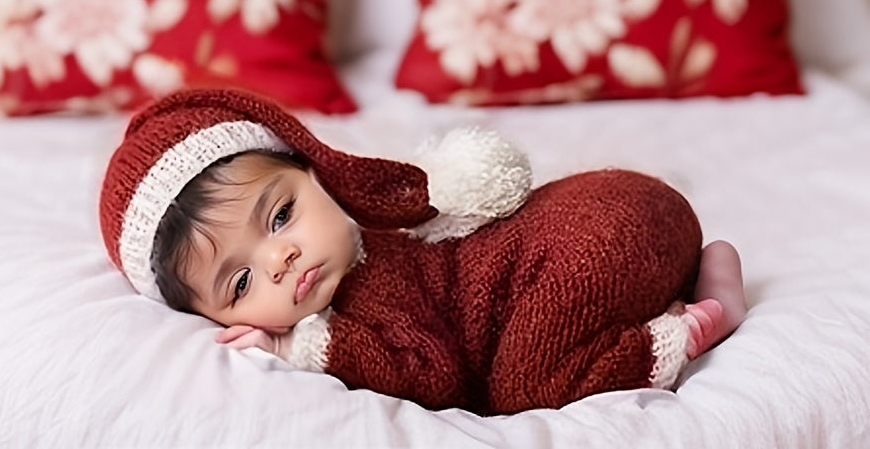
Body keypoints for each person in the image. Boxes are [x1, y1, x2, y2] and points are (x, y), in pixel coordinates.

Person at [99, 87, 747, 414]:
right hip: (620, 213)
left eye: (282, 215)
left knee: (525, 384)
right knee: (547, 327)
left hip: (602, 231)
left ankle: (690, 324)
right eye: (240, 285)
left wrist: (304, 347)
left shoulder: (369, 279)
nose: (280, 260)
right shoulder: (373, 245)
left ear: (317, 171)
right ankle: (687, 274)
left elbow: (435, 376)